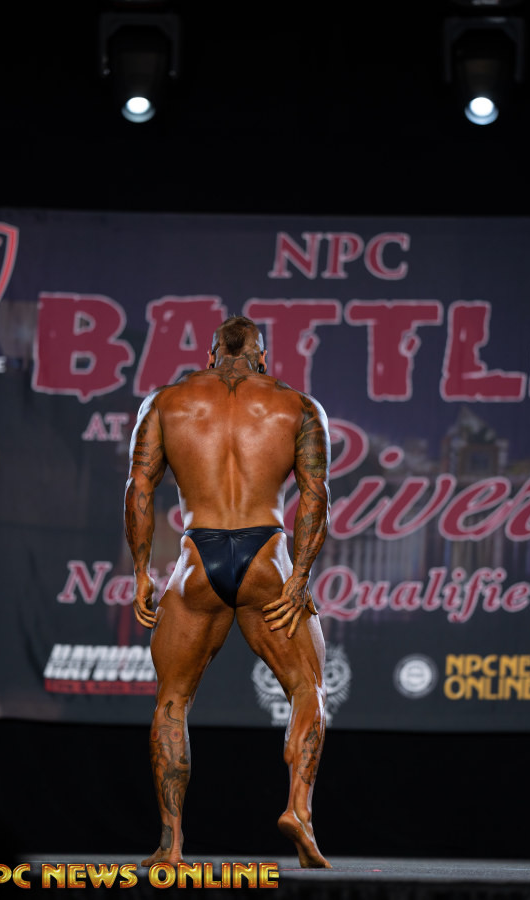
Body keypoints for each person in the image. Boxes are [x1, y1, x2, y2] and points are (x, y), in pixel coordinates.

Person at [124, 315, 331, 869]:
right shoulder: (298, 406)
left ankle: (171, 843)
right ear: (262, 356)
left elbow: (138, 487)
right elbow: (315, 495)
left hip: (198, 559)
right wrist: (299, 577)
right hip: (267, 557)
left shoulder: (166, 402)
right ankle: (299, 811)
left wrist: (142, 572)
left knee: (173, 700)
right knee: (308, 687)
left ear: (211, 355)